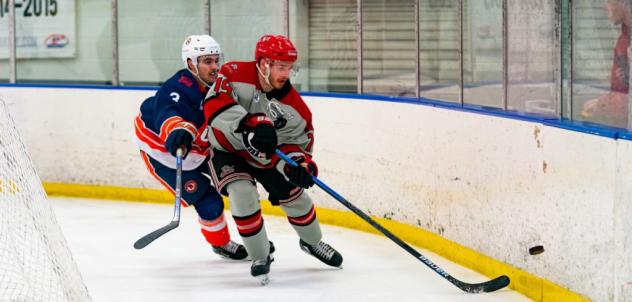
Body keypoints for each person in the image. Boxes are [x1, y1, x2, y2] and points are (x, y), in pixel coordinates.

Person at [202, 34, 343, 283]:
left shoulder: (295, 108)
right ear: (263, 64)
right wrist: (249, 122)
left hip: (265, 158)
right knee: (242, 194)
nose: (286, 74)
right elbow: (214, 105)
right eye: (281, 67)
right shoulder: (232, 73)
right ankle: (260, 256)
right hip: (228, 150)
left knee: (296, 197)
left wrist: (298, 166)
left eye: (290, 68)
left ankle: (312, 243)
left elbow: (297, 144)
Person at [134, 35, 249, 260]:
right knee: (209, 202)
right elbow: (168, 111)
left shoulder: (220, 83)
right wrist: (178, 129)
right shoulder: (177, 87)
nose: (215, 67)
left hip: (200, 146)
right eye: (207, 61)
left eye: (216, 60)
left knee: (238, 181)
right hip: (164, 153)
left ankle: (255, 238)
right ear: (190, 64)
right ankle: (221, 243)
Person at [581, 0, 631, 128]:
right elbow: (623, 88)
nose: (604, 7)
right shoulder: (624, 39)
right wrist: (605, 103)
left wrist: (605, 104)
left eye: (608, 1)